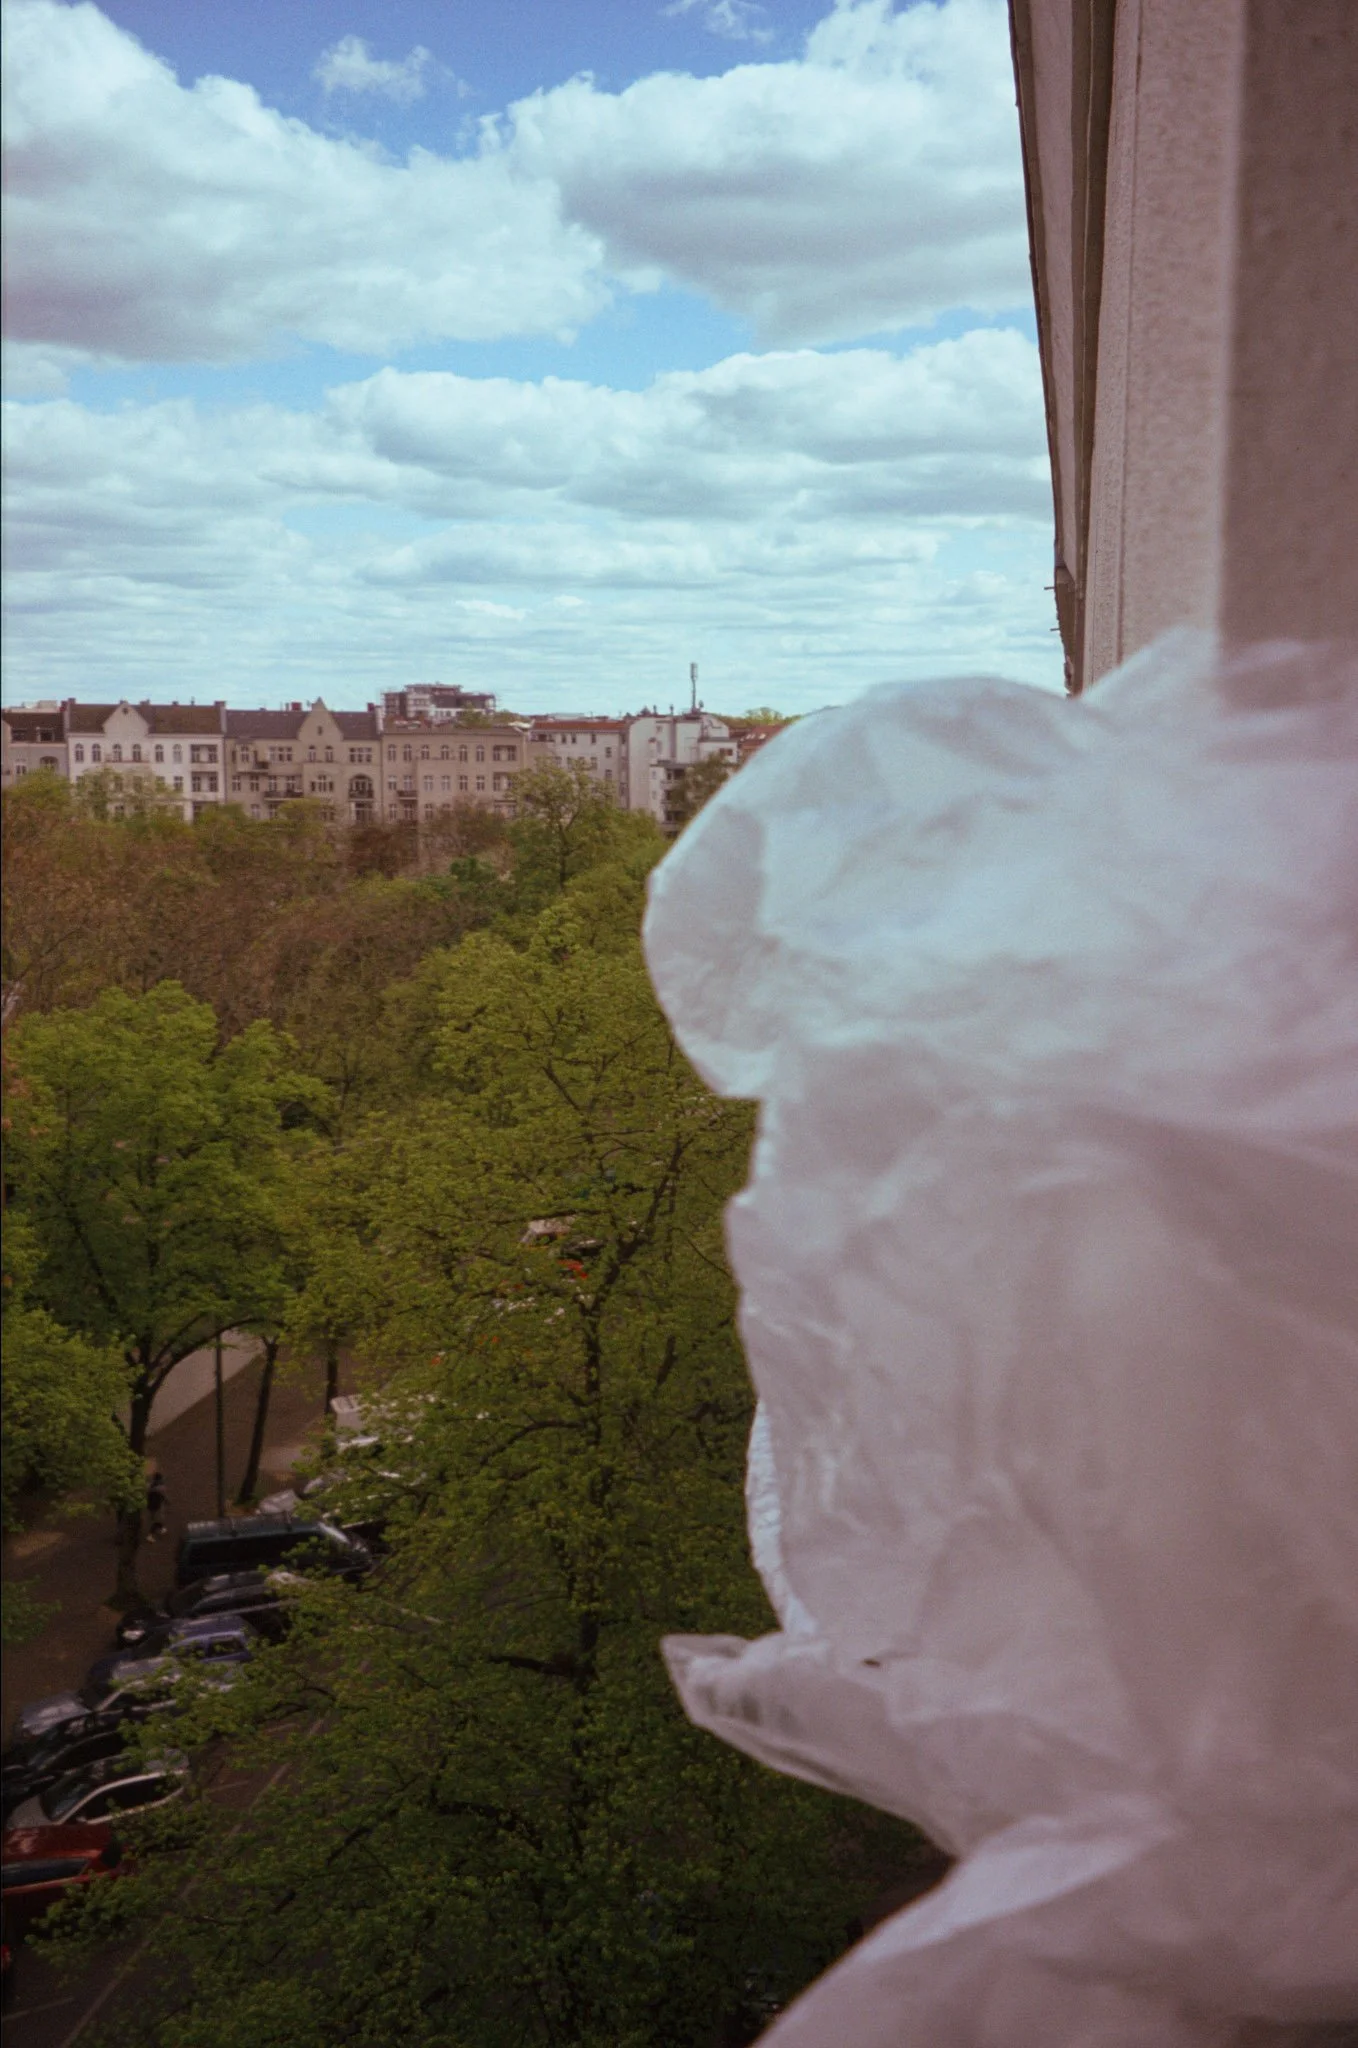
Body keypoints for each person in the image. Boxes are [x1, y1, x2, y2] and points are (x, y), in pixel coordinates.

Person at [145, 1467, 167, 1541]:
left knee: (156, 1519)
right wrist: (166, 1501)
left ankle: (161, 1527)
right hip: (156, 1505)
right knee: (156, 1520)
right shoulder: (160, 1487)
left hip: (150, 1505)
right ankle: (150, 1535)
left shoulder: (150, 1485)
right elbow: (163, 1495)